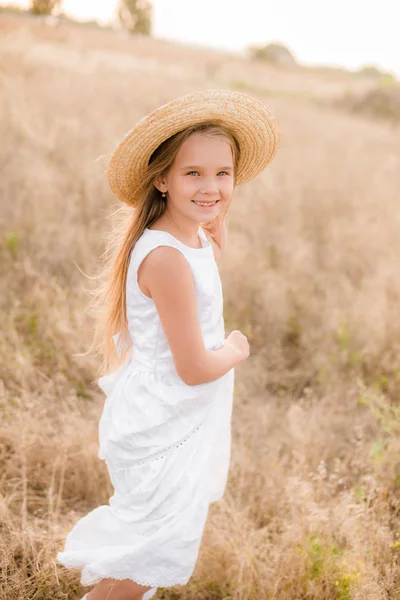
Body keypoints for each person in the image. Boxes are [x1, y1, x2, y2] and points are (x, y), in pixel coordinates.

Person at [56, 89, 280, 600]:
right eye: (193, 174)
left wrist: (211, 214)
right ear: (162, 179)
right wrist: (236, 349)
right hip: (163, 424)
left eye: (222, 174)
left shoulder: (192, 236)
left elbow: (206, 231)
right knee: (144, 564)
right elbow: (197, 366)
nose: (211, 187)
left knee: (155, 552)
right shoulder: (167, 259)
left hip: (178, 417)